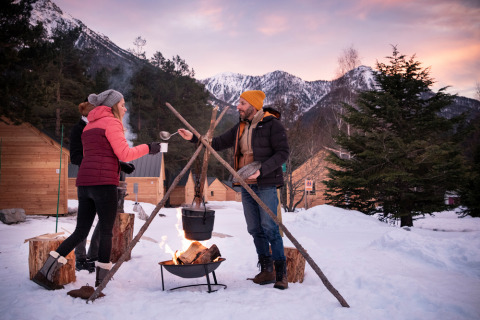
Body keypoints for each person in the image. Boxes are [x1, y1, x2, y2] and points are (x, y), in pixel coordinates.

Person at [33, 89, 162, 290]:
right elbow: (125, 152)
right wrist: (149, 148)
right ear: (112, 106)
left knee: (80, 231)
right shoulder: (112, 122)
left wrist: (118, 164)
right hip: (104, 184)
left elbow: (99, 155)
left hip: (85, 183)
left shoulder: (89, 126)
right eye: (122, 104)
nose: (125, 108)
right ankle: (101, 280)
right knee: (106, 231)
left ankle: (46, 270)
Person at [178, 90, 290, 289]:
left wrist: (262, 170)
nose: (238, 106)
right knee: (255, 229)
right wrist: (194, 138)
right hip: (246, 184)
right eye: (239, 103)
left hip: (266, 183)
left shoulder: (272, 125)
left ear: (253, 106)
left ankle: (281, 274)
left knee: (270, 228)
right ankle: (266, 271)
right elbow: (217, 143)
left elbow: (283, 153)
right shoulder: (240, 127)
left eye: (242, 103)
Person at [69, 99, 135, 273]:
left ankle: (94, 255)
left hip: (108, 179)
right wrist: (95, 162)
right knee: (83, 225)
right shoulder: (78, 129)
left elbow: (111, 151)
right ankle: (81, 258)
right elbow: (75, 157)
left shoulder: (103, 125)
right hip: (90, 179)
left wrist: (120, 164)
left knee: (106, 221)